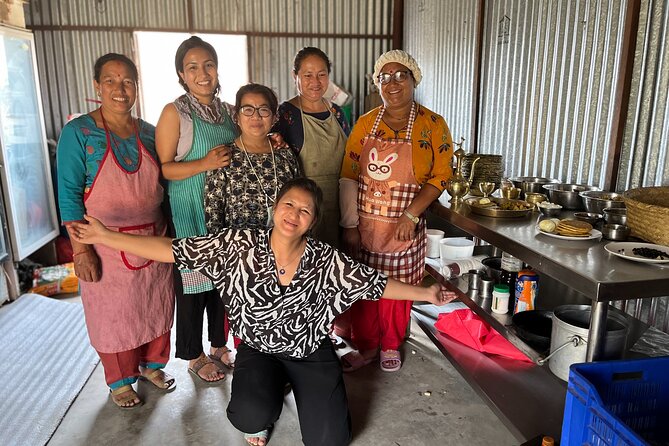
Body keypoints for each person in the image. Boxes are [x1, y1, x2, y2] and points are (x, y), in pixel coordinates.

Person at [70, 178, 457, 446]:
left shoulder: (325, 259)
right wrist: (105, 236)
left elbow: (375, 284)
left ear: (312, 222)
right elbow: (173, 250)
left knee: (331, 440)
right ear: (276, 207)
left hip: (310, 352)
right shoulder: (238, 244)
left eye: (305, 211)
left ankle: (295, 386)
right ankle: (267, 402)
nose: (294, 213)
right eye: (289, 204)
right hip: (258, 350)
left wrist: (425, 293)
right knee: (249, 417)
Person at [56, 53, 175, 409]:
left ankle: (152, 365)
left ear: (136, 86)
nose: (119, 90)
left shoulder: (151, 133)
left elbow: (169, 180)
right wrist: (81, 250)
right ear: (97, 86)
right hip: (101, 240)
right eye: (110, 81)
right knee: (115, 316)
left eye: (127, 82)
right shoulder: (79, 134)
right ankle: (120, 380)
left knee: (156, 305)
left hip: (154, 238)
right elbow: (69, 194)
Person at [338, 49, 454, 373]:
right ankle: (366, 345)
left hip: (405, 227)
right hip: (365, 225)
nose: (393, 83)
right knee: (364, 286)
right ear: (377, 84)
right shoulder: (364, 124)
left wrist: (411, 214)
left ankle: (390, 343)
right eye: (384, 77)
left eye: (401, 75)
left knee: (397, 289)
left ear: (413, 79)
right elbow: (348, 174)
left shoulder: (432, 125)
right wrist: (349, 225)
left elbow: (442, 175)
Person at [155, 36, 236, 382]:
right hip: (190, 212)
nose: (202, 73)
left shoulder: (230, 111)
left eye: (208, 65)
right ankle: (194, 355)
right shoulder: (175, 112)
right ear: (181, 74)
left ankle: (219, 344)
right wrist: (204, 163)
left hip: (225, 213)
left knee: (223, 284)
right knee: (193, 287)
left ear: (217, 69)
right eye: (192, 67)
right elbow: (165, 167)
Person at [272, 47, 350, 248]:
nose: (315, 82)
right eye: (307, 75)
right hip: (304, 212)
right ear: (295, 76)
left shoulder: (338, 113)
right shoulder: (285, 114)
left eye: (321, 75)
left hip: (341, 206)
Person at [205, 83, 300, 232]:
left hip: (282, 250)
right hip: (238, 250)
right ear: (237, 116)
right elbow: (213, 217)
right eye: (248, 109)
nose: (256, 116)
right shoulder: (223, 157)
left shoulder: (285, 155)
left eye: (263, 110)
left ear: (274, 118)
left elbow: (300, 202)